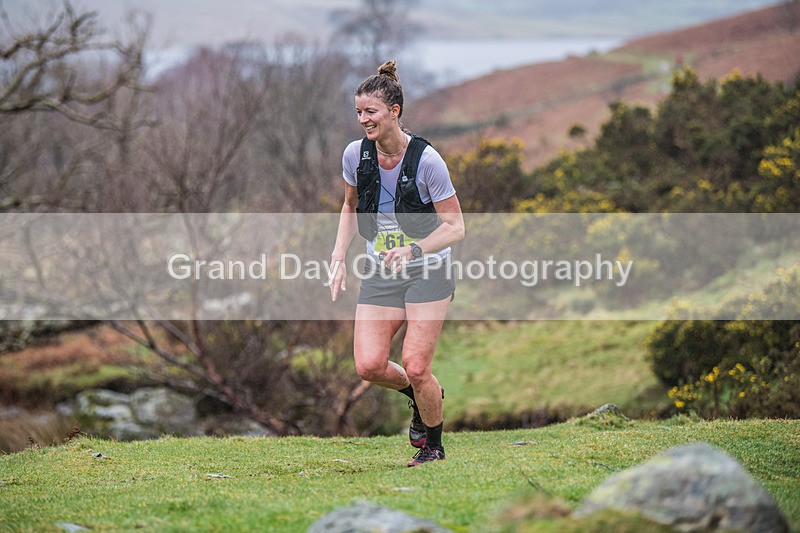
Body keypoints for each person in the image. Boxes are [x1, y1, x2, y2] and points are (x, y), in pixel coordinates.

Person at [328, 60, 465, 467]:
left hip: (429, 270)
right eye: (358, 112)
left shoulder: (427, 161)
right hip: (380, 271)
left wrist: (415, 249)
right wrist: (338, 257)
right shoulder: (355, 155)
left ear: (394, 111)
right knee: (369, 364)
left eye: (370, 111)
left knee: (417, 364)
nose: (363, 120)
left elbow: (456, 226)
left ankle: (433, 447)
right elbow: (350, 207)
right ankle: (423, 397)